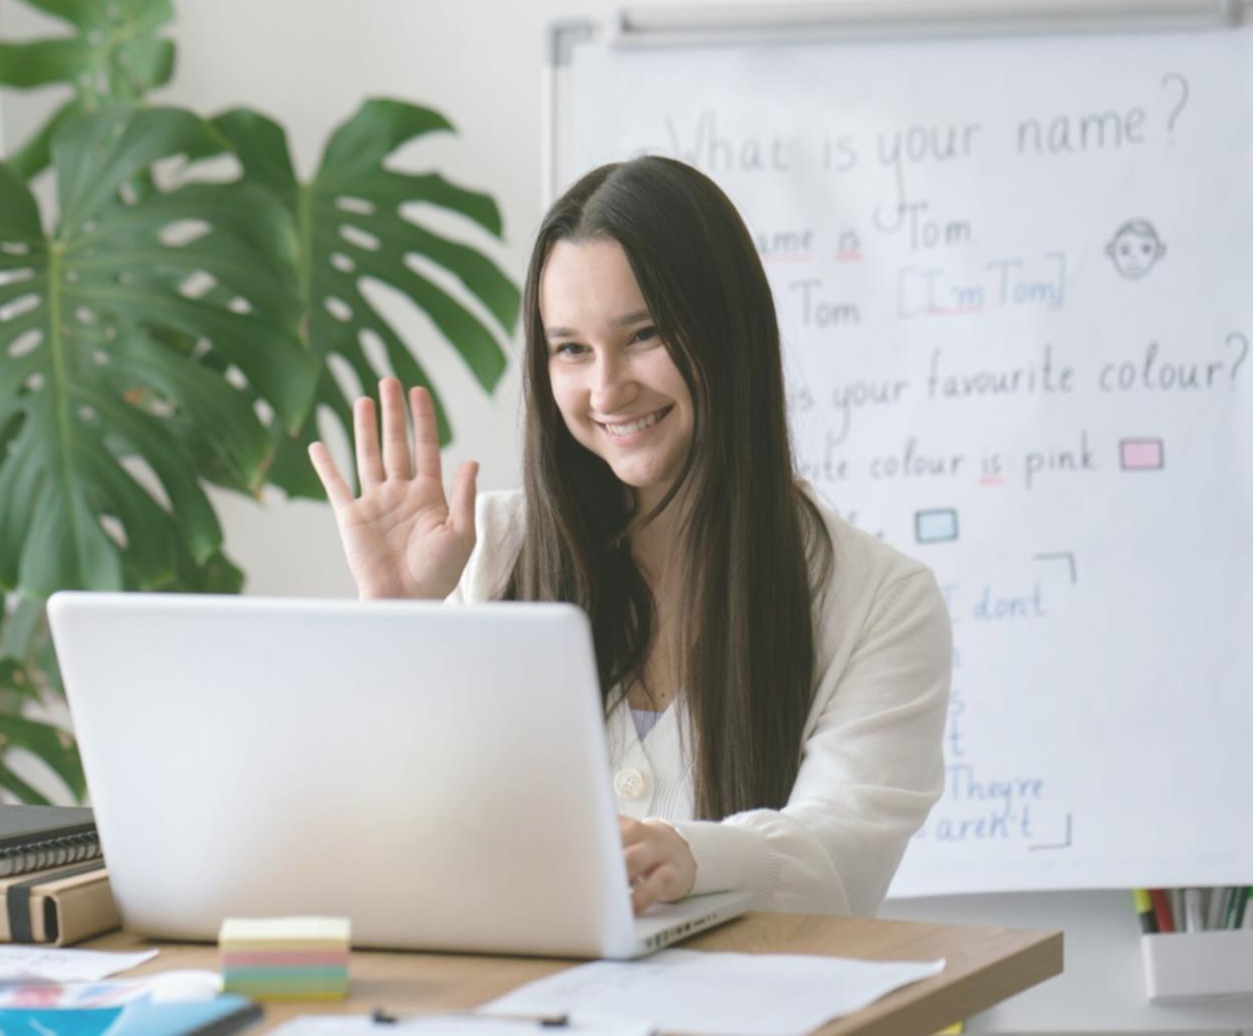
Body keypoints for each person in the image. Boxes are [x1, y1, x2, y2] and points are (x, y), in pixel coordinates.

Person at [307, 156, 951, 918]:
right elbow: (391, 830)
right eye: (570, 349)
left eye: (643, 335)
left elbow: (840, 861)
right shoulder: (489, 550)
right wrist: (396, 614)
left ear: (727, 332)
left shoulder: (880, 600)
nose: (606, 390)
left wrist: (690, 856)